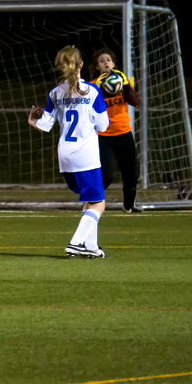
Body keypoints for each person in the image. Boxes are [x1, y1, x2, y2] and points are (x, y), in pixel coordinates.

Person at [29, 45, 110, 258]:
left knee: (90, 200)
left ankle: (91, 247)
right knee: (99, 203)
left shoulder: (55, 93)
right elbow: (103, 126)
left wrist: (32, 120)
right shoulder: (93, 91)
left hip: (65, 157)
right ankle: (75, 243)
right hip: (86, 156)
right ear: (81, 64)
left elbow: (44, 125)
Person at [90, 48, 141, 213]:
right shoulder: (92, 85)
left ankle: (128, 205)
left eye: (108, 60)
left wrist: (125, 85)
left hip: (124, 133)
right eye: (102, 61)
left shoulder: (122, 80)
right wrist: (98, 88)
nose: (106, 63)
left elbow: (135, 101)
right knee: (106, 177)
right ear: (97, 67)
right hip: (104, 136)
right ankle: (92, 203)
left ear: (113, 64)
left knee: (132, 176)